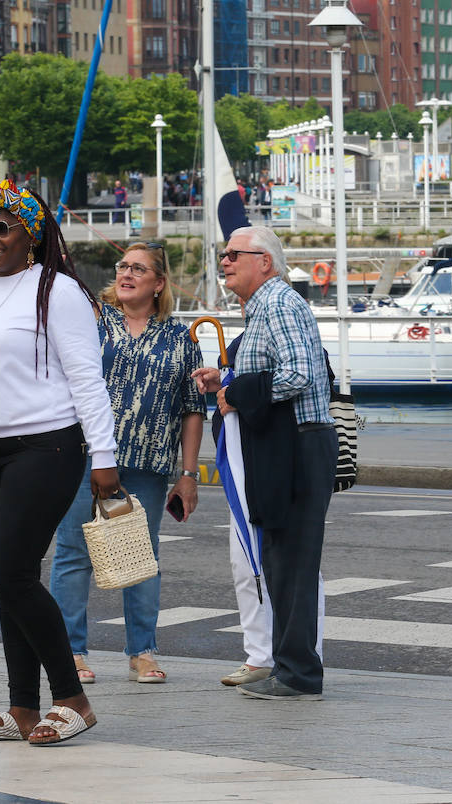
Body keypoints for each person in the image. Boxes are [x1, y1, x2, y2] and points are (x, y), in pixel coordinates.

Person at [0, 179, 118, 745]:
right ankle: (22, 708)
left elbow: (87, 379)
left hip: (47, 446)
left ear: (30, 235)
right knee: (7, 581)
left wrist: (104, 460)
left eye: (1, 228)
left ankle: (73, 697)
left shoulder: (57, 291)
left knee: (10, 573)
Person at [49, 242, 206, 686]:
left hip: (149, 464)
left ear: (159, 283)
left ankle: (142, 651)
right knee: (74, 551)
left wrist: (188, 475)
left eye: (139, 269)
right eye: (123, 266)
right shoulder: (93, 321)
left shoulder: (181, 338)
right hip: (85, 456)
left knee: (142, 557)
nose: (127, 273)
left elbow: (193, 408)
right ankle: (71, 652)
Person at [191, 225, 336, 701]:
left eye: (233, 254)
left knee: (291, 560)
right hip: (282, 442)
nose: (224, 261)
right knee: (278, 556)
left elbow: (297, 374)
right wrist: (227, 379)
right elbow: (274, 372)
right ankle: (289, 667)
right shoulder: (264, 308)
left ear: (265, 262)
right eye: (223, 254)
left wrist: (234, 391)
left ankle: (298, 673)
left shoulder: (279, 303)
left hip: (296, 443)